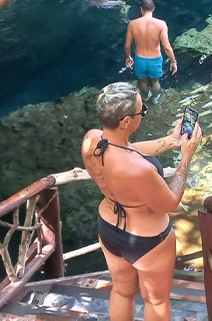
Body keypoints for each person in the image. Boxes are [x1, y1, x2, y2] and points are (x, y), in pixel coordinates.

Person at [82, 82, 203, 321]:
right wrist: (185, 159)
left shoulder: (92, 140)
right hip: (147, 241)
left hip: (109, 229)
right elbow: (169, 203)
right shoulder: (139, 171)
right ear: (126, 122)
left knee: (122, 291)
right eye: (142, 111)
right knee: (156, 300)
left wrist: (170, 140)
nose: (143, 114)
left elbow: (126, 149)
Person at [125, 0, 177, 103]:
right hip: (155, 59)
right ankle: (155, 98)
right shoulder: (161, 24)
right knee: (155, 81)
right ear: (153, 9)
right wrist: (173, 61)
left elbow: (127, 45)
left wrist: (128, 57)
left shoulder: (132, 24)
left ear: (141, 9)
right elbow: (166, 47)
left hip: (140, 59)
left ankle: (145, 96)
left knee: (143, 82)